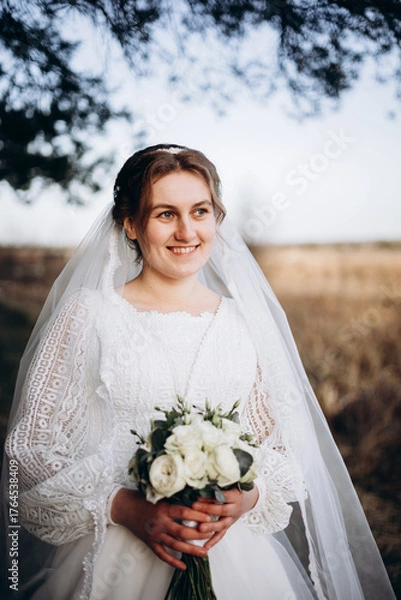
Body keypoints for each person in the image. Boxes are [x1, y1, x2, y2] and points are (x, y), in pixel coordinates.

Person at [0, 144, 395, 600]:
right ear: (130, 223)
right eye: (165, 214)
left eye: (200, 211)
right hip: (113, 557)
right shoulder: (86, 316)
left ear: (216, 219)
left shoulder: (245, 323)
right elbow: (27, 454)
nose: (187, 231)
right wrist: (122, 505)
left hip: (236, 559)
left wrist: (249, 495)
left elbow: (284, 447)